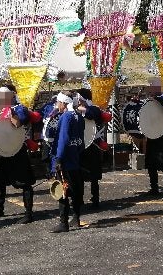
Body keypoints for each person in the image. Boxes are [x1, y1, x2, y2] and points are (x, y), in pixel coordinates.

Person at [0, 84, 41, 224]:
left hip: (17, 150)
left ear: (12, 95)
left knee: (24, 182)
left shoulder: (20, 108)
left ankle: (28, 213)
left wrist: (8, 111)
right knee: (0, 181)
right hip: (4, 150)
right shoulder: (0, 109)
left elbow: (17, 124)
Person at [51, 91, 85, 233]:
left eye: (58, 102)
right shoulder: (79, 116)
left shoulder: (65, 117)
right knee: (76, 190)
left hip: (65, 159)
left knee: (62, 190)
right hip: (75, 157)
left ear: (64, 103)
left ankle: (63, 223)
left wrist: (59, 158)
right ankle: (76, 218)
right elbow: (82, 140)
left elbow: (63, 139)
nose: (57, 105)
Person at [74, 88, 104, 209]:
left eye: (80, 98)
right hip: (81, 145)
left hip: (93, 146)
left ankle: (95, 199)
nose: (78, 100)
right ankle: (79, 199)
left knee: (94, 176)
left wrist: (82, 109)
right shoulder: (75, 111)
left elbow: (92, 115)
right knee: (79, 175)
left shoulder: (94, 108)